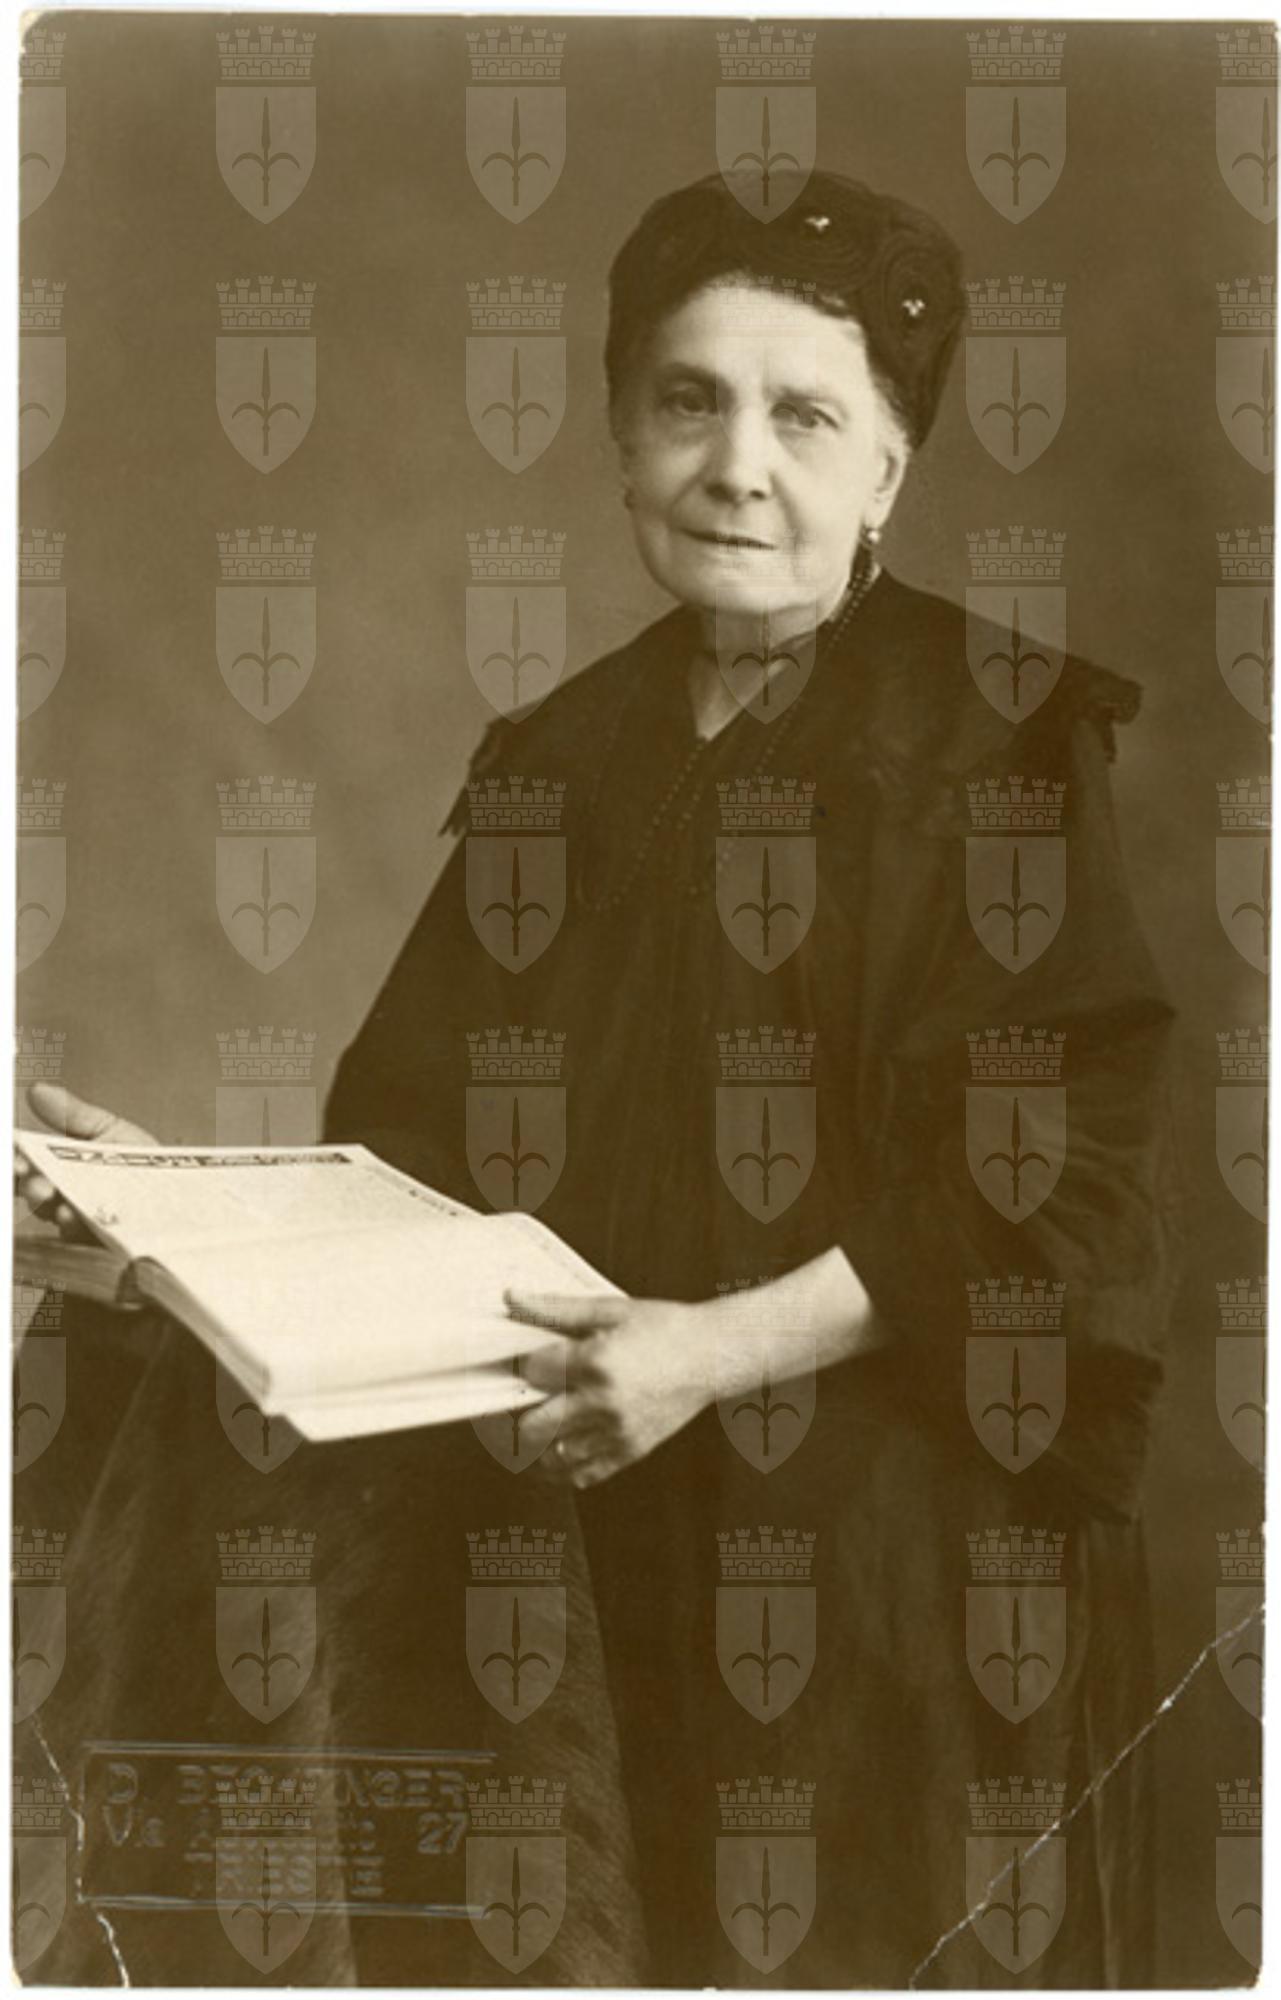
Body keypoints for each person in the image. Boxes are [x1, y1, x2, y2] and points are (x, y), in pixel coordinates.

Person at [18, 169, 1185, 1986]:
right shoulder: (560, 755)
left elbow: (1058, 1186)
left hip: (887, 1570)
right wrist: (167, 1222)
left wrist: (709, 1351)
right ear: (620, 439)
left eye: (805, 417)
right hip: (573, 1542)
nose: (738, 467)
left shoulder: (1001, 736)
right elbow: (405, 1161)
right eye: (686, 401)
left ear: (889, 470)